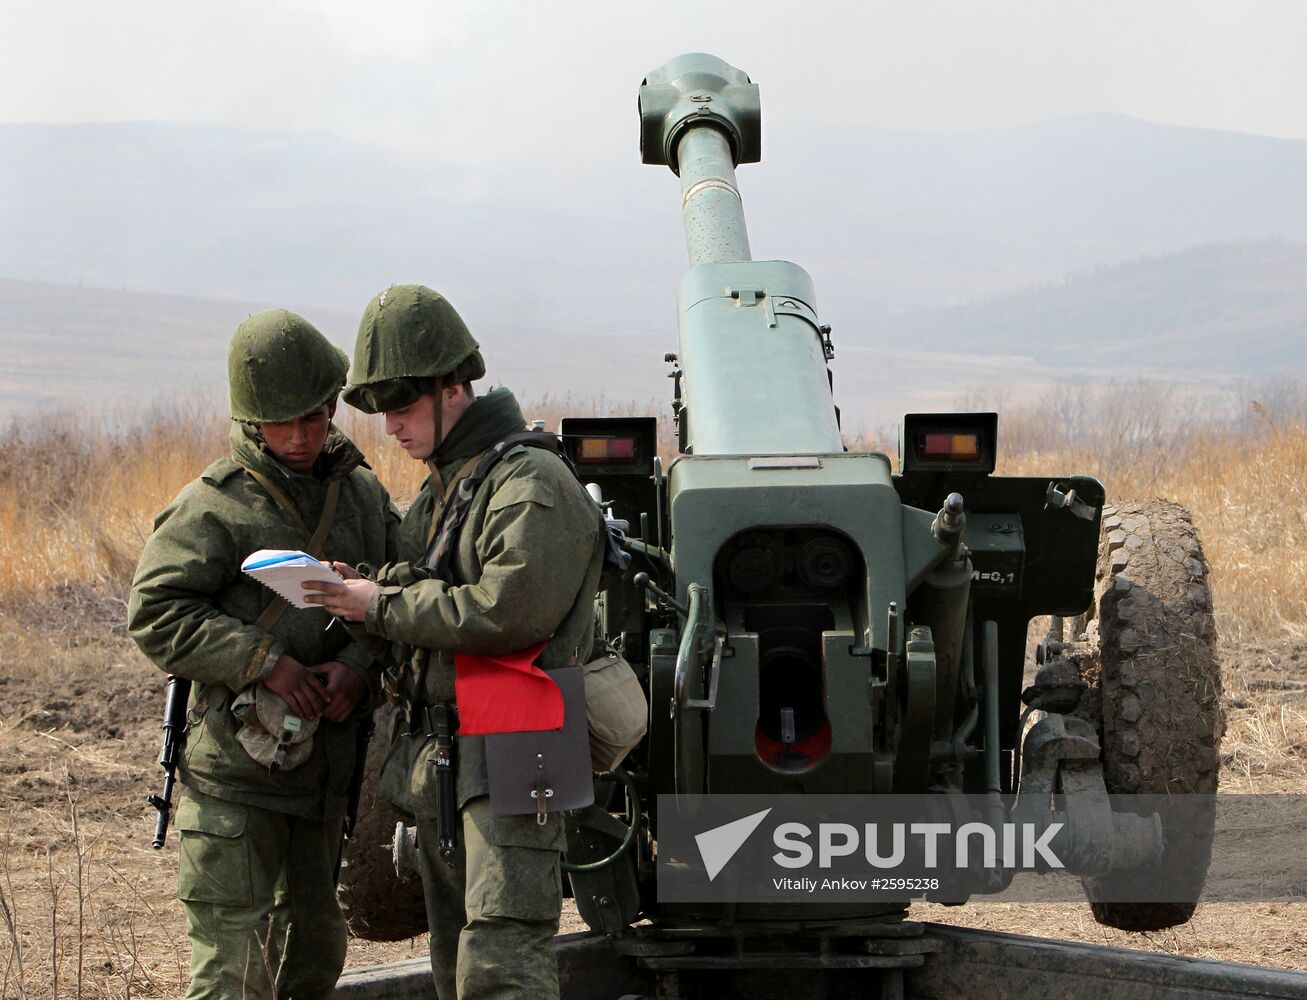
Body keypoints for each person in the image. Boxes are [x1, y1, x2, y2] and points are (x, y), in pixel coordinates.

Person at [303, 284, 605, 1000]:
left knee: (501, 957)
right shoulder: (453, 486)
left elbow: (508, 613)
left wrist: (377, 603)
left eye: (403, 410)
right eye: (382, 414)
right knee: (453, 956)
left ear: (453, 390)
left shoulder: (529, 481)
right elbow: (426, 581)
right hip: (447, 748)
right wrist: (364, 590)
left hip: (520, 730)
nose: (393, 430)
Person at [128, 309, 398, 1000]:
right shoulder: (214, 507)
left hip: (326, 772)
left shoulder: (364, 496)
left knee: (313, 953)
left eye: (314, 416)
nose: (302, 436)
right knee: (231, 973)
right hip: (238, 778)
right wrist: (262, 661)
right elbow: (156, 613)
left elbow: (403, 598)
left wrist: (358, 672)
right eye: (284, 422)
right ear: (251, 422)